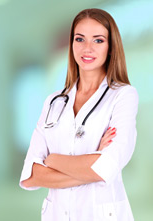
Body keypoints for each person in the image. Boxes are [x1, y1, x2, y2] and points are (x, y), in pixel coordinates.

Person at [19, 8, 138, 221]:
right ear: (72, 45)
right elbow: (30, 176)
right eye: (80, 39)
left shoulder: (123, 96)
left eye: (98, 40)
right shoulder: (54, 102)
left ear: (111, 47)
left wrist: (52, 160)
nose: (87, 48)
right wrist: (89, 165)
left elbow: (106, 167)